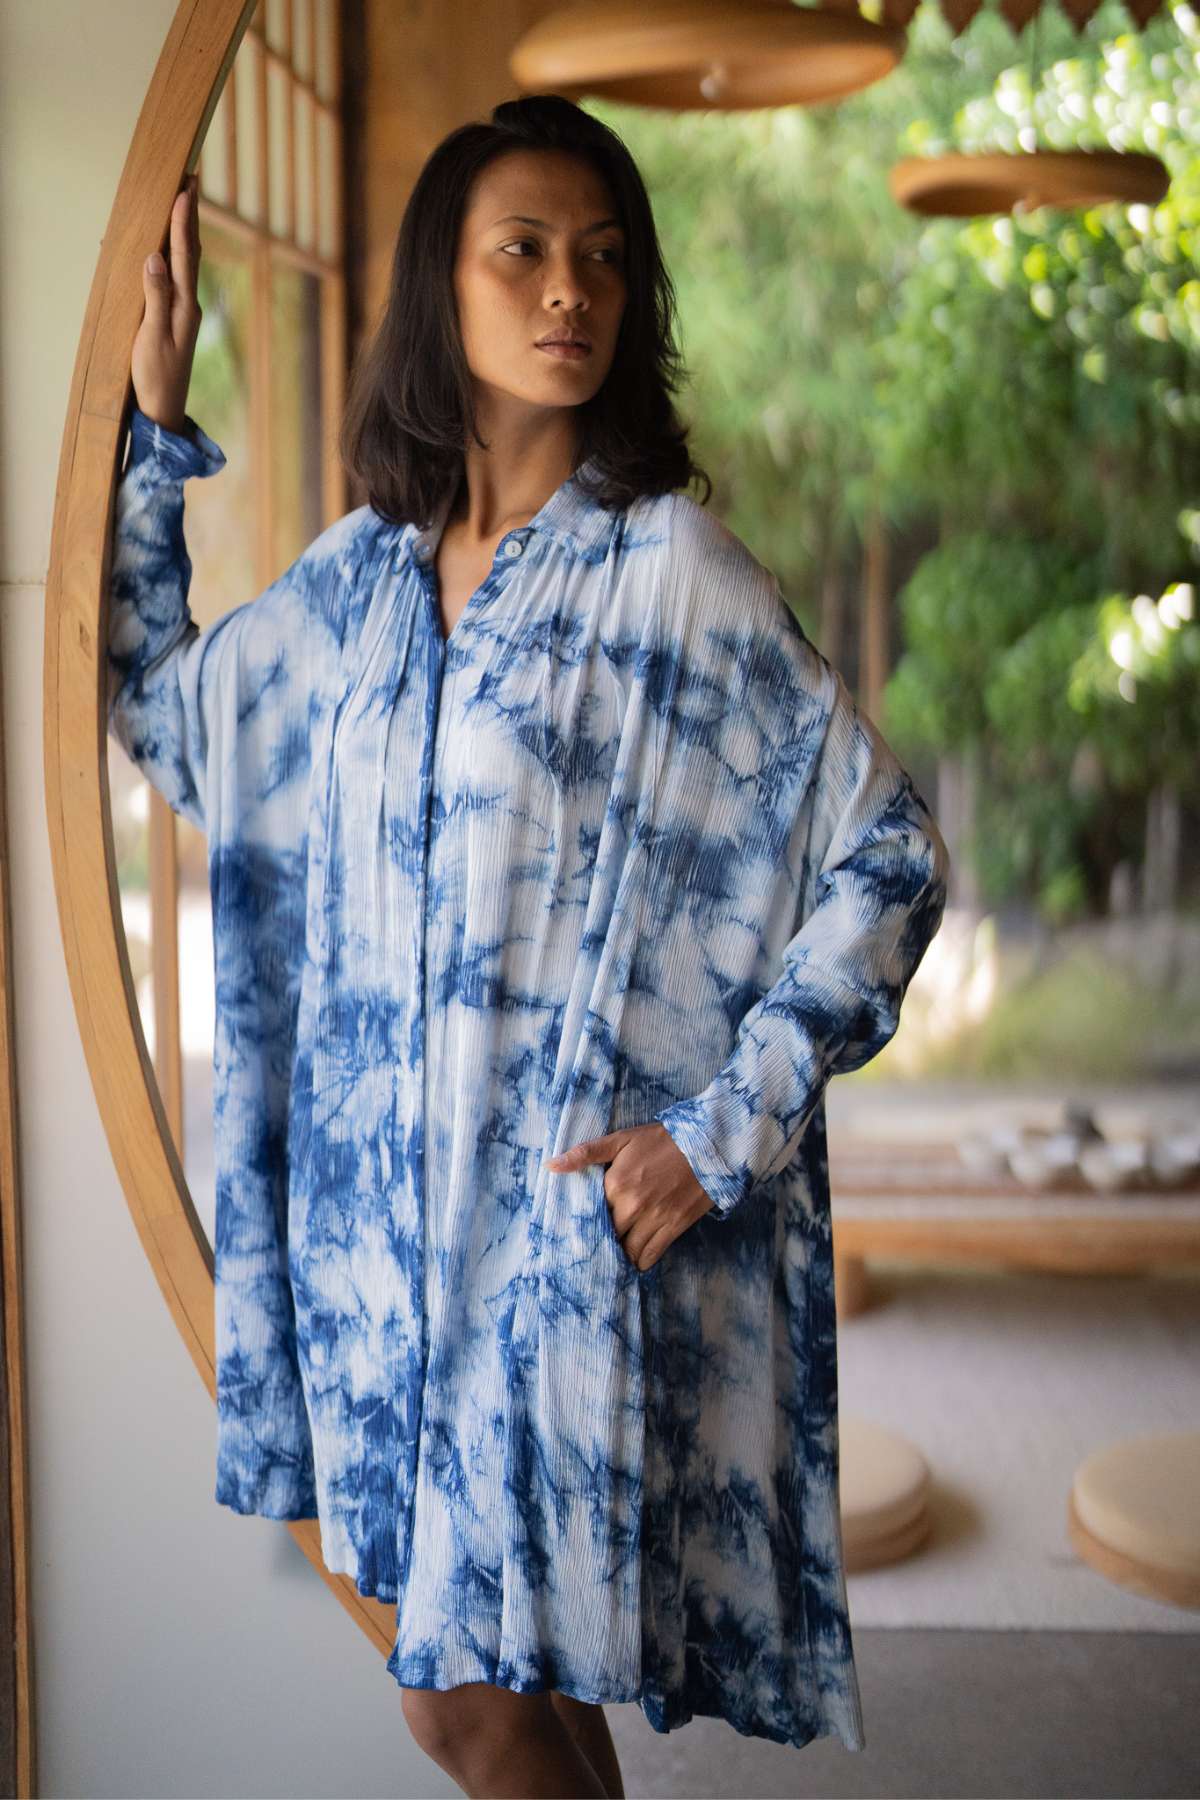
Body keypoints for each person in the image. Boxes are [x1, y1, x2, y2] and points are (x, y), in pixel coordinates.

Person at [108, 93, 949, 1799]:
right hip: (376, 1271)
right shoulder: (352, 588)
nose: (573, 289)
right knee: (519, 1694)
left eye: (604, 260)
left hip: (552, 1265)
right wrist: (152, 422)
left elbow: (889, 855)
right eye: (525, 251)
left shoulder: (673, 581)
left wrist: (724, 1133)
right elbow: (171, 718)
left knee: (459, 1707)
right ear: (448, 290)